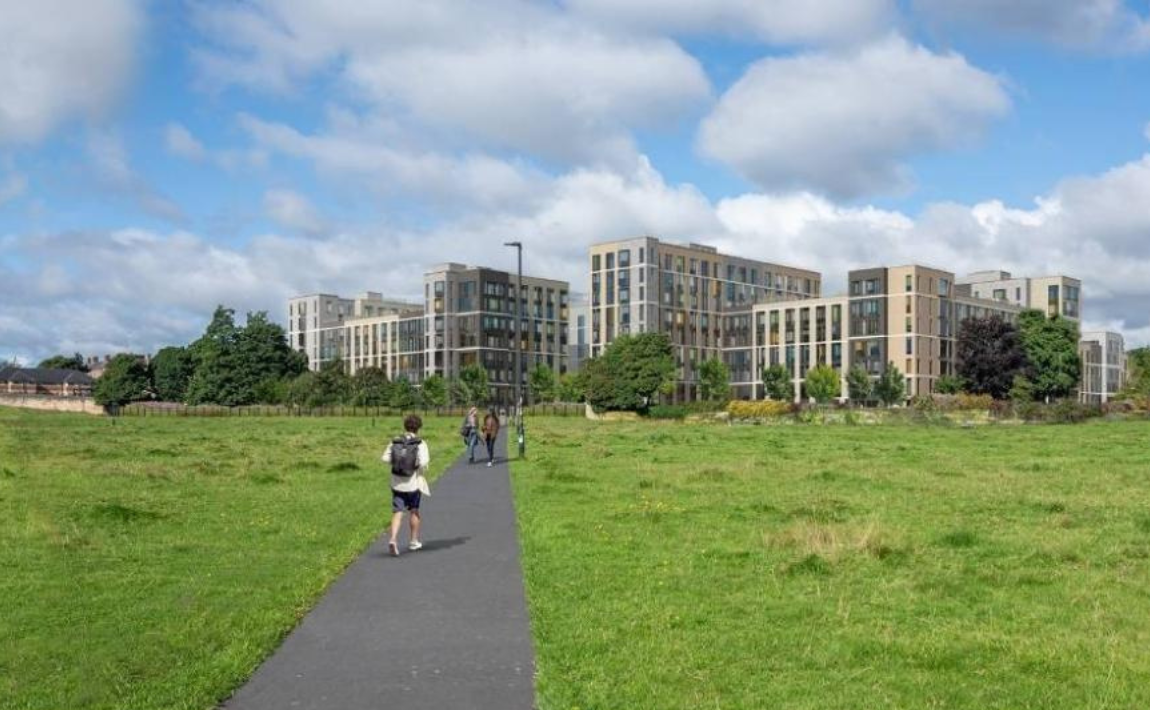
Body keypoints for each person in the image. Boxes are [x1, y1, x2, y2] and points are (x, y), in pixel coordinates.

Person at [382, 414, 431, 556]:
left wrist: (398, 462)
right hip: (413, 484)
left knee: (397, 512)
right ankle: (414, 541)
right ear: (418, 428)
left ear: (405, 426)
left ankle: (392, 539)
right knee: (414, 511)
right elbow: (423, 463)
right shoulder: (420, 443)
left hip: (397, 483)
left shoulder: (395, 441)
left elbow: (384, 458)